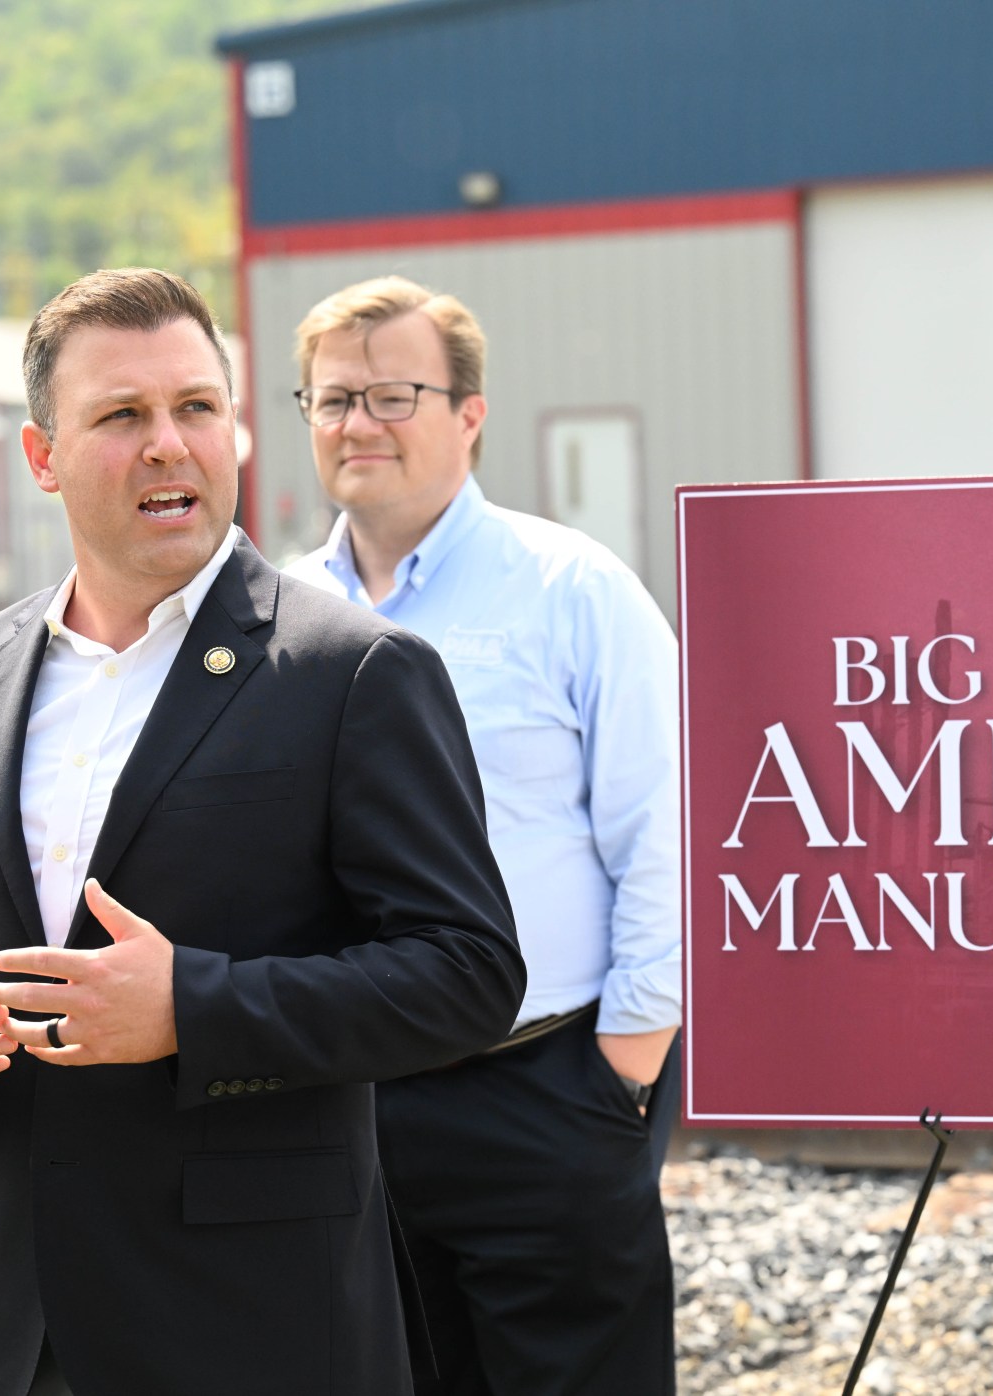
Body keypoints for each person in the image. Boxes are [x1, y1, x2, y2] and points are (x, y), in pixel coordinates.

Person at [0, 268, 524, 1396]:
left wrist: (189, 1007)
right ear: (41, 456)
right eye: (121, 415)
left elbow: (468, 973)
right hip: (5, 1329)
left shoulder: (352, 673)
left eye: (197, 407)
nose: (169, 444)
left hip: (252, 1326)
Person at [284, 276, 681, 1396]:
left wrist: (624, 1067)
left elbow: (662, 833)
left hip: (545, 1087)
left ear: (470, 413)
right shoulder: (278, 619)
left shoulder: (571, 590)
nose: (358, 423)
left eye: (394, 394)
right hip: (347, 1104)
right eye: (331, 400)